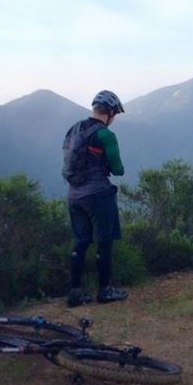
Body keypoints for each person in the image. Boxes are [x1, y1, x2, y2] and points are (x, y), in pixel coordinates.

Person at [64, 90, 129, 307]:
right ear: (110, 112)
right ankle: (105, 290)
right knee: (104, 242)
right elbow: (118, 169)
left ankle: (75, 293)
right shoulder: (105, 135)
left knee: (80, 242)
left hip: (73, 195)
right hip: (98, 195)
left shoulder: (73, 130)